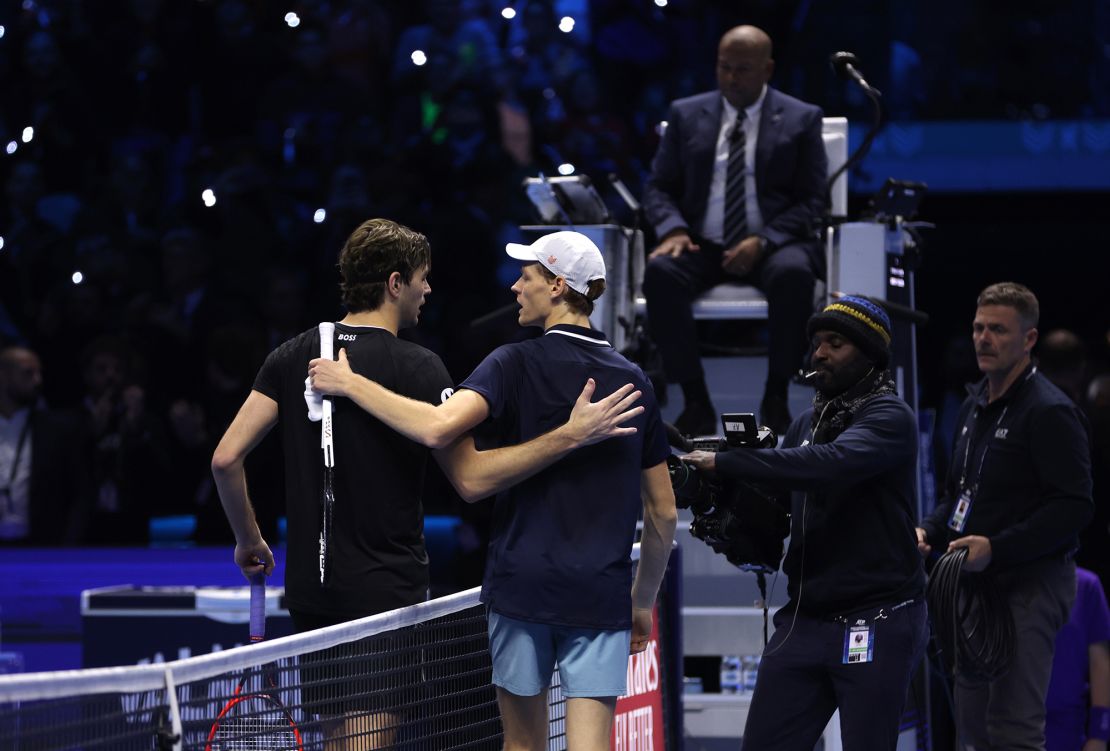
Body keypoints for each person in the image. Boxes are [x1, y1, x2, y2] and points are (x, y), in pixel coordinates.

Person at [211, 220, 640, 750]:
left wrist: (248, 539)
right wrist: (568, 438)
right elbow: (469, 477)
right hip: (385, 594)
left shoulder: (293, 354)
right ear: (395, 283)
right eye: (422, 278)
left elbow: (226, 458)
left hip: (310, 589)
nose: (428, 290)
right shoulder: (419, 366)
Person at [308, 230, 678, 751]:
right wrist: (642, 602)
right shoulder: (633, 381)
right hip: (599, 596)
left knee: (523, 745)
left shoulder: (512, 362)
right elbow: (662, 513)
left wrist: (350, 384)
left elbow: (439, 428)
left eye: (525, 277)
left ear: (555, 286)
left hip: (521, 588)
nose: (514, 288)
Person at [681, 295, 927, 750]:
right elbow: (777, 498)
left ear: (870, 354)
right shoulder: (804, 424)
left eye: (835, 343)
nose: (820, 354)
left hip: (876, 616)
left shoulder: (891, 417)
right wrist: (719, 505)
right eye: (816, 343)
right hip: (805, 620)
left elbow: (828, 464)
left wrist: (732, 463)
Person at [917, 282, 1094, 750]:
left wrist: (997, 548)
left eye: (997, 329)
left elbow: (1074, 507)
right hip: (974, 586)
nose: (983, 338)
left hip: (1029, 584)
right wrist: (929, 531)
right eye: (978, 327)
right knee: (972, 732)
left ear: (1029, 339)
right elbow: (959, 497)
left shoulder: (1050, 411)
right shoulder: (975, 406)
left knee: (1012, 730)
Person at [642, 24, 828, 437]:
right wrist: (672, 229)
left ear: (768, 69)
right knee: (661, 273)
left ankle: (776, 395)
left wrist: (763, 240)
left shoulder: (801, 118)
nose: (731, 78)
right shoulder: (685, 114)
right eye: (724, 68)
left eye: (743, 69)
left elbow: (814, 201)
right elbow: (658, 188)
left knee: (795, 274)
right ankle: (694, 401)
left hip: (772, 242)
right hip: (701, 242)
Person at [0, 345, 89, 545]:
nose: (38, 381)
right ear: (3, 376)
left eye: (39, 373)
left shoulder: (58, 429)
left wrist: (67, 546)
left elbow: (80, 494)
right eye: (28, 373)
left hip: (42, 546)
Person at [1044, 567, 1110, 751]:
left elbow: (1100, 661)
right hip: (1009, 727)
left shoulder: (1087, 586)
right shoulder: (1008, 578)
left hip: (1068, 733)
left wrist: (1099, 735)